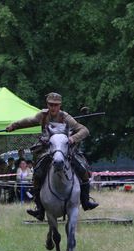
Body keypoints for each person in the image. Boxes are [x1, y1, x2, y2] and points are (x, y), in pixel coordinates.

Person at [6, 92, 99, 221]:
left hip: (65, 151)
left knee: (83, 169)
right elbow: (28, 121)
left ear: (60, 105)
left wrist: (72, 139)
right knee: (38, 173)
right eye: (51, 105)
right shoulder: (42, 115)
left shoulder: (66, 117)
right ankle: (39, 208)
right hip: (47, 150)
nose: (53, 108)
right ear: (47, 104)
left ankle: (85, 201)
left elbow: (84, 130)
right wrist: (13, 126)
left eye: (56, 105)